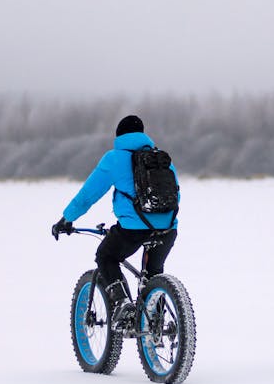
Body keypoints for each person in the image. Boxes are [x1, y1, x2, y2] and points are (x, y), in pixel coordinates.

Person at [51, 115, 179, 327]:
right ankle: (155, 320)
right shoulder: (161, 159)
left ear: (119, 135)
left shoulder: (114, 159)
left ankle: (122, 304)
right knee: (153, 273)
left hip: (133, 230)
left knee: (106, 255)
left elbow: (87, 195)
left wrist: (67, 219)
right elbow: (176, 194)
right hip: (167, 229)